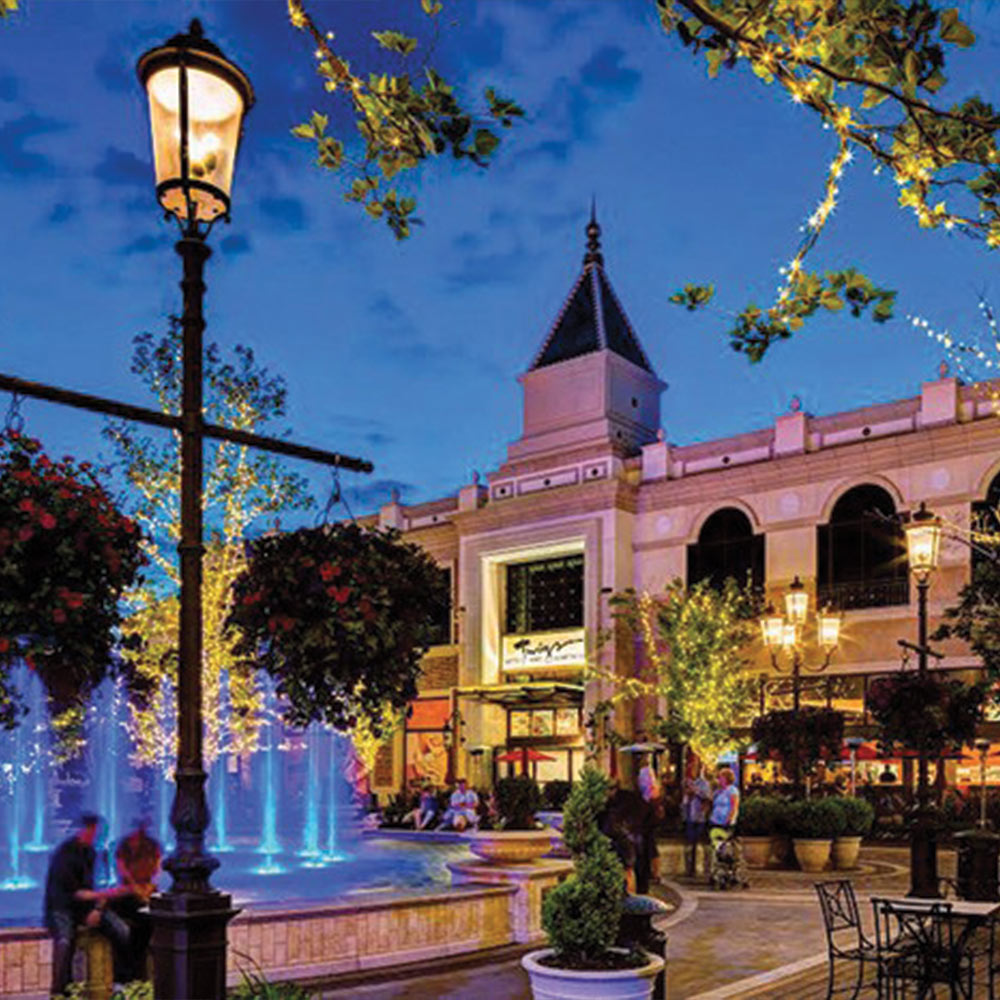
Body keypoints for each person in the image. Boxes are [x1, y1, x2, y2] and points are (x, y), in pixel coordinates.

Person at [44, 813, 107, 997]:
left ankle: (123, 982)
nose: (98, 835)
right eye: (95, 831)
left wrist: (97, 907)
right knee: (65, 940)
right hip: (61, 907)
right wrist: (107, 895)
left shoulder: (91, 852)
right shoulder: (66, 853)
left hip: (82, 907)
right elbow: (73, 891)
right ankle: (59, 991)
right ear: (85, 830)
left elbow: (90, 886)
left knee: (120, 928)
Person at [101, 823, 162, 983]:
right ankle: (128, 978)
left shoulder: (151, 845)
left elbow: (157, 868)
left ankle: (137, 976)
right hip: (128, 894)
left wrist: (147, 889)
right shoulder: (124, 846)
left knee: (146, 921)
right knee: (131, 928)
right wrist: (136, 888)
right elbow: (122, 871)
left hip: (144, 893)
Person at [682, 769, 712, 878]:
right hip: (689, 816)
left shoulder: (703, 783)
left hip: (700, 817)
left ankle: (705, 868)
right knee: (689, 844)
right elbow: (684, 799)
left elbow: (708, 797)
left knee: (702, 844)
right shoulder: (686, 782)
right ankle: (689, 869)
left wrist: (695, 792)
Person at [708, 767, 740, 854]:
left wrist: (730, 818)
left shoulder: (732, 790)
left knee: (724, 843)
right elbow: (711, 801)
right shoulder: (719, 791)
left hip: (725, 821)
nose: (719, 780)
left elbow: (735, 806)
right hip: (715, 821)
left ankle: (727, 859)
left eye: (721, 778)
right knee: (716, 843)